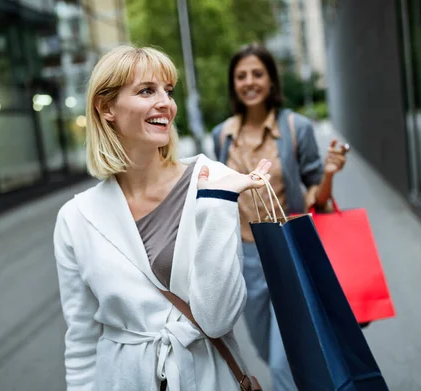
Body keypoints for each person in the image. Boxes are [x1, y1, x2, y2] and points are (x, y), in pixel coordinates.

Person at [54, 45, 271, 391]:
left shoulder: (212, 180)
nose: (165, 103)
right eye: (146, 91)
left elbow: (217, 320)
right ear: (106, 107)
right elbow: (81, 337)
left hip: (206, 378)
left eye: (167, 92)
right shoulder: (76, 218)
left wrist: (216, 204)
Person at [211, 43, 348, 391]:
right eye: (241, 76)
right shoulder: (222, 137)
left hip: (288, 253)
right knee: (260, 343)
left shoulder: (295, 127)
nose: (249, 81)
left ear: (271, 80)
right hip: (245, 259)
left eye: (258, 73)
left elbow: (316, 194)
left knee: (281, 360)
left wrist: (329, 174)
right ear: (234, 84)